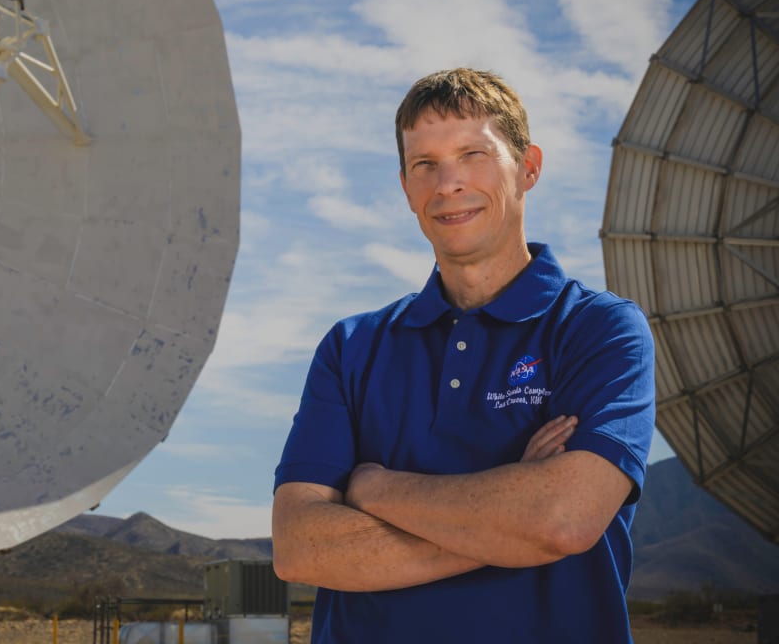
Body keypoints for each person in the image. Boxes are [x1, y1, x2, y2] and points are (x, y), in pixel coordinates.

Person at [271, 68, 655, 643]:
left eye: (473, 154)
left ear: (529, 168)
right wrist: (506, 522)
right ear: (405, 187)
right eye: (424, 164)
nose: (447, 183)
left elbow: (560, 520)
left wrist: (374, 489)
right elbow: (301, 549)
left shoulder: (600, 330)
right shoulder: (352, 348)